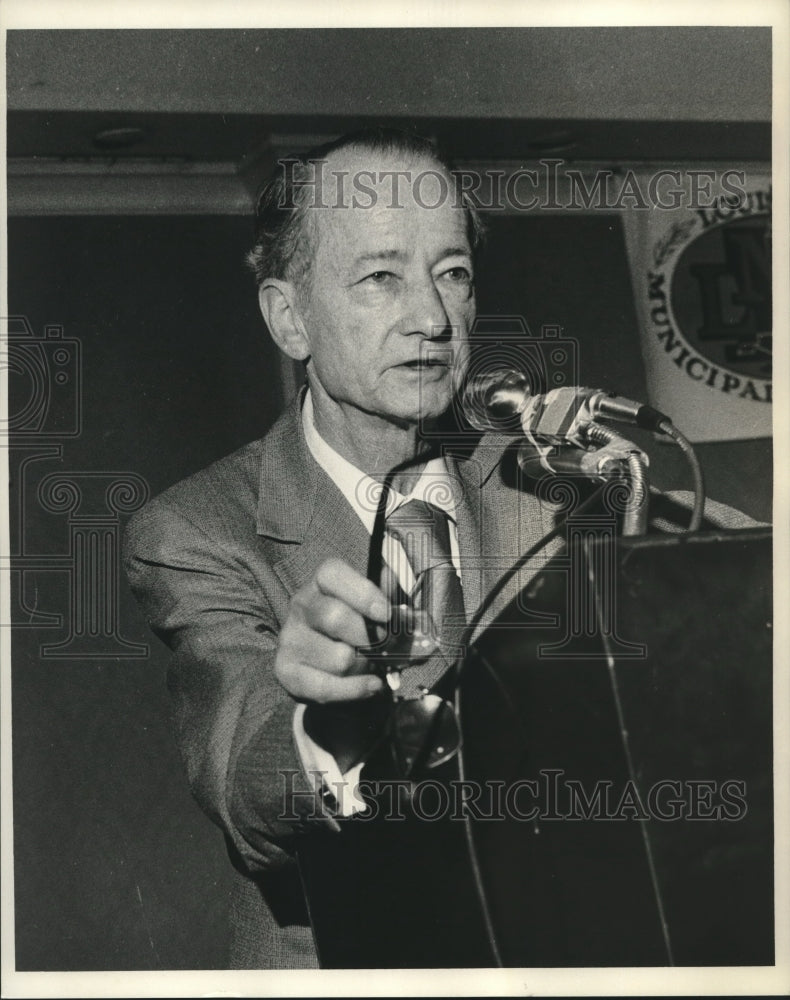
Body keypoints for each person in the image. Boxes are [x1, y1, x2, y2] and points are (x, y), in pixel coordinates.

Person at [123, 127, 756, 969]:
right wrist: (328, 713)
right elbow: (245, 785)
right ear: (290, 317)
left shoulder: (550, 480)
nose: (431, 318)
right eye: (381, 277)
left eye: (451, 274)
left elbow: (733, 559)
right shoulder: (199, 530)